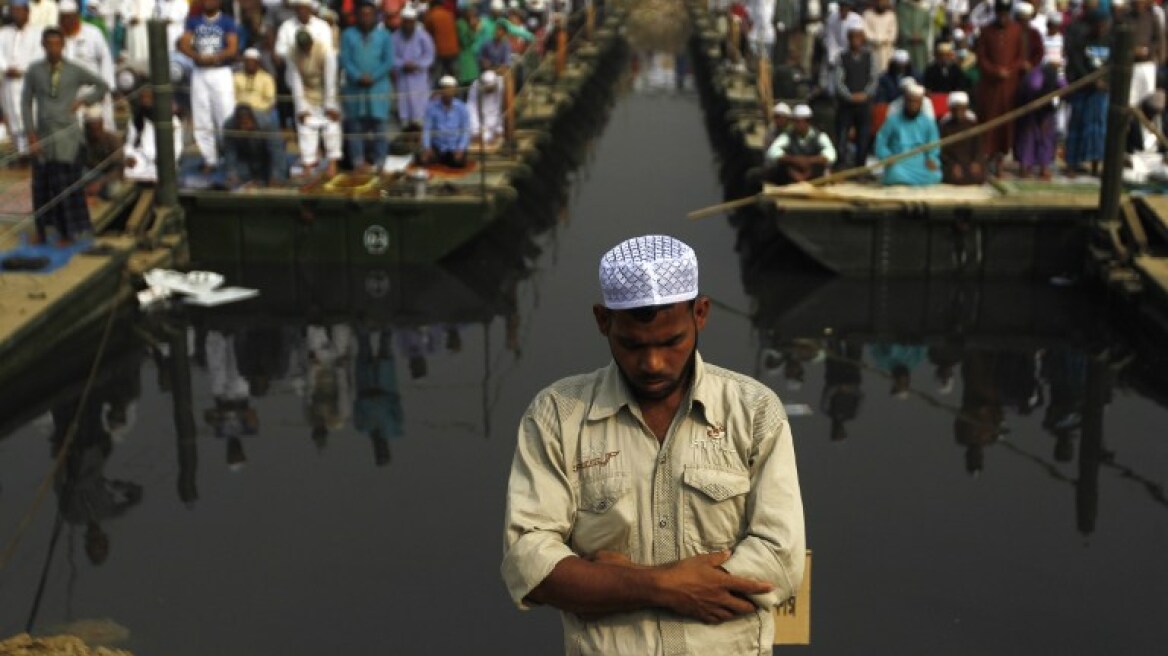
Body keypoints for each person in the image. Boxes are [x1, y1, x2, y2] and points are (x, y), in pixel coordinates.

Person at [501, 234, 806, 653]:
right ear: (603, 321)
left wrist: (608, 583)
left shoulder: (754, 412)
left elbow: (780, 561)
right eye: (632, 345)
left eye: (671, 342)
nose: (653, 364)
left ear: (700, 314)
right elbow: (529, 564)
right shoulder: (556, 416)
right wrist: (665, 587)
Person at [22, 27, 111, 244]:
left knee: (65, 185)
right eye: (49, 44)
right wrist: (31, 134)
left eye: (57, 44)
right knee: (41, 186)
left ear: (63, 45)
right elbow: (26, 102)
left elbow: (102, 85)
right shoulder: (34, 70)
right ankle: (42, 231)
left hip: (67, 137)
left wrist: (83, 101)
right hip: (43, 135)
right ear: (43, 45)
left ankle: (68, 232)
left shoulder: (74, 70)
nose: (53, 48)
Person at [179, 0, 239, 171]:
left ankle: (229, 157)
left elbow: (232, 47)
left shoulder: (227, 21)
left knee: (225, 115)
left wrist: (216, 57)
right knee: (201, 116)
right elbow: (184, 44)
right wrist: (196, 56)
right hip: (200, 72)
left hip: (220, 71)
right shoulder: (193, 20)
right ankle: (209, 159)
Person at [341, 2, 394, 173]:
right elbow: (345, 60)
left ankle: (380, 163)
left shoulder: (384, 35)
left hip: (378, 88)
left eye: (369, 14)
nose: (366, 18)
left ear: (375, 16)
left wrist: (373, 76)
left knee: (380, 128)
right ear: (357, 16)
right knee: (355, 128)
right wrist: (358, 76)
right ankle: (358, 163)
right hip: (355, 89)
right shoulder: (348, 35)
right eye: (362, 14)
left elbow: (388, 61)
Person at [975, 0, 1026, 173]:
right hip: (990, 86)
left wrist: (1010, 70)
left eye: (1005, 14)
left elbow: (1020, 56)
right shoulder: (986, 31)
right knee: (989, 122)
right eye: (1000, 14)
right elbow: (981, 58)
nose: (1002, 18)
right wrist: (994, 71)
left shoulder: (1016, 30)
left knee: (1007, 125)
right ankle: (986, 157)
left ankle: (1000, 161)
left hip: (1009, 86)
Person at [288, 29, 342, 178]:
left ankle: (332, 165)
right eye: (302, 46)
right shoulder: (293, 53)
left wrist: (330, 105)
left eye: (307, 45)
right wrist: (301, 108)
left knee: (331, 127)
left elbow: (330, 80)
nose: (305, 48)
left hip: (326, 92)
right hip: (307, 93)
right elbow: (296, 81)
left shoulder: (325, 50)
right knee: (305, 127)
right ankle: (308, 166)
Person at [1064, 8, 1109, 176]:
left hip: (1100, 93)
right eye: (1099, 24)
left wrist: (1106, 82)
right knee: (1077, 125)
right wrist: (1090, 79)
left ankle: (1096, 165)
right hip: (1082, 89)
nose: (1102, 28)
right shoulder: (1081, 40)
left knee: (1098, 128)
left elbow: (1113, 65)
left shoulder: (1109, 41)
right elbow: (1076, 63)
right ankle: (1071, 164)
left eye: (1105, 24)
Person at [60, 0, 116, 131]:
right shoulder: (58, 37)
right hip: (70, 96)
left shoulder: (93, 33)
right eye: (63, 18)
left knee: (102, 130)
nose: (66, 21)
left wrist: (107, 90)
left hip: (93, 91)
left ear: (76, 16)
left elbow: (105, 60)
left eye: (70, 17)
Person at [873, 83, 942, 185]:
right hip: (899, 162)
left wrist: (931, 159)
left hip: (920, 162)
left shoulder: (928, 123)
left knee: (936, 175)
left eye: (916, 102)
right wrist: (887, 156)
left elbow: (934, 145)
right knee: (895, 173)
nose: (913, 105)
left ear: (921, 103)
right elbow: (880, 142)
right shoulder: (893, 121)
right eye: (910, 101)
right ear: (905, 101)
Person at [834, 24, 879, 169]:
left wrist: (865, 94)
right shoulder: (842, 57)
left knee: (863, 137)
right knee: (842, 135)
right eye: (853, 37)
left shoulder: (869, 56)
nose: (856, 40)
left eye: (859, 37)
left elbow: (873, 78)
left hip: (864, 104)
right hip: (846, 104)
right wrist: (849, 96)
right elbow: (838, 81)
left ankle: (860, 167)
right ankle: (841, 165)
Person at [0, 0, 41, 158]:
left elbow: (39, 57)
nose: (16, 14)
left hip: (28, 82)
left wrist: (22, 70)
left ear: (27, 12)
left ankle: (33, 153)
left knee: (31, 116)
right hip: (9, 83)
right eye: (13, 11)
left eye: (19, 11)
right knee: (14, 118)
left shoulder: (37, 33)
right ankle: (21, 154)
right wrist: (5, 68)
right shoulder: (4, 33)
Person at [1014, 52, 1064, 178]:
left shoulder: (1057, 74)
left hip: (1047, 109)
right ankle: (1025, 167)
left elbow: (1064, 86)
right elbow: (1033, 87)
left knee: (1046, 138)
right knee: (1028, 138)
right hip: (1030, 108)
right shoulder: (1037, 73)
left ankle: (1044, 166)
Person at [123, 83, 184, 183]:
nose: (145, 101)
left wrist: (166, 159)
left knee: (163, 175)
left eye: (148, 98)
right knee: (128, 171)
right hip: (141, 157)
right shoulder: (136, 119)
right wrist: (129, 156)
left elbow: (177, 147)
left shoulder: (172, 120)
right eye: (143, 98)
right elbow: (130, 142)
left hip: (164, 160)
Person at [764, 103, 836, 183]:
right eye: (795, 121)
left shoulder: (820, 136)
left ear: (808, 121)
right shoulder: (788, 135)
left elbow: (830, 154)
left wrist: (809, 161)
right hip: (793, 175)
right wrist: (795, 160)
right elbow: (772, 152)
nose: (797, 125)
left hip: (814, 177)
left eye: (799, 121)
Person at [222, 103, 287, 188]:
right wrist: (232, 174)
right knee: (235, 178)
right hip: (244, 158)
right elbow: (230, 151)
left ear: (252, 119)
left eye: (246, 124)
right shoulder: (229, 125)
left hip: (266, 158)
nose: (243, 128)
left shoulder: (267, 123)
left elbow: (276, 151)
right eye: (240, 125)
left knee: (279, 174)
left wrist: (276, 176)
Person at [392, 4, 435, 129]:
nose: (408, 25)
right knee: (404, 105)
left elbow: (429, 55)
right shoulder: (395, 36)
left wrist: (417, 65)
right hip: (402, 77)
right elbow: (391, 56)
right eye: (405, 22)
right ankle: (405, 124)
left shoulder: (423, 36)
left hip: (419, 77)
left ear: (414, 22)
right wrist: (402, 64)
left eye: (410, 22)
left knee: (420, 104)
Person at [421, 74, 470, 166]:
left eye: (450, 89)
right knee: (423, 159)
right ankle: (439, 160)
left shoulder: (462, 108)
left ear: (454, 91)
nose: (447, 92)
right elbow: (426, 129)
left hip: (454, 147)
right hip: (438, 147)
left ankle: (445, 161)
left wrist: (460, 149)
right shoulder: (431, 107)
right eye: (445, 89)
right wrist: (427, 147)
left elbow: (465, 131)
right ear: (440, 91)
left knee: (457, 162)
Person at [939, 91, 986, 184]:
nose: (958, 112)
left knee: (978, 176)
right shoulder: (945, 126)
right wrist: (952, 165)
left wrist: (976, 161)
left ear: (966, 108)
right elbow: (942, 151)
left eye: (961, 109)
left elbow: (978, 146)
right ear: (951, 109)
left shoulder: (972, 124)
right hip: (952, 161)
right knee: (952, 177)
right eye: (956, 109)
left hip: (969, 161)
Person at [81, 106, 123, 199]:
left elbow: (119, 169)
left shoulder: (113, 140)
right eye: (91, 129)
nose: (95, 133)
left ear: (101, 125)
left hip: (109, 177)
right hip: (93, 174)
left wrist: (100, 183)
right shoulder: (85, 141)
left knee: (112, 191)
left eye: (97, 129)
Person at [233, 48, 277, 126]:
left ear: (258, 63)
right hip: (240, 112)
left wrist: (256, 110)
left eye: (252, 61)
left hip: (260, 112)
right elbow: (232, 97)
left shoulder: (266, 78)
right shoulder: (236, 77)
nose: (250, 64)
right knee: (227, 124)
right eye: (247, 61)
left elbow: (270, 100)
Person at [425, 0, 460, 79]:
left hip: (439, 51)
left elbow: (427, 35)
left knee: (437, 76)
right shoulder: (449, 14)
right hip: (453, 49)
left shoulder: (431, 16)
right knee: (453, 75)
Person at [468, 68, 503, 146]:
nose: (490, 91)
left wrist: (499, 129)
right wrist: (476, 131)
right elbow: (472, 109)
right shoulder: (475, 86)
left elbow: (500, 107)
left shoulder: (501, 84)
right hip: (482, 123)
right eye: (488, 89)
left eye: (492, 89)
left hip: (496, 122)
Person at [896, 0, 933, 73]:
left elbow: (927, 26)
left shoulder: (925, 9)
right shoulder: (902, 8)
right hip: (906, 44)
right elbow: (901, 24)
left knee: (920, 69)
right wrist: (910, 36)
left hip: (920, 46)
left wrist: (921, 35)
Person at [863, 0, 897, 71]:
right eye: (878, 1)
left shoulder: (891, 16)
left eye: (883, 2)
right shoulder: (867, 15)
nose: (880, 4)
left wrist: (883, 40)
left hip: (887, 51)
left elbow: (892, 34)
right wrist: (877, 40)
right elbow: (866, 32)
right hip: (872, 49)